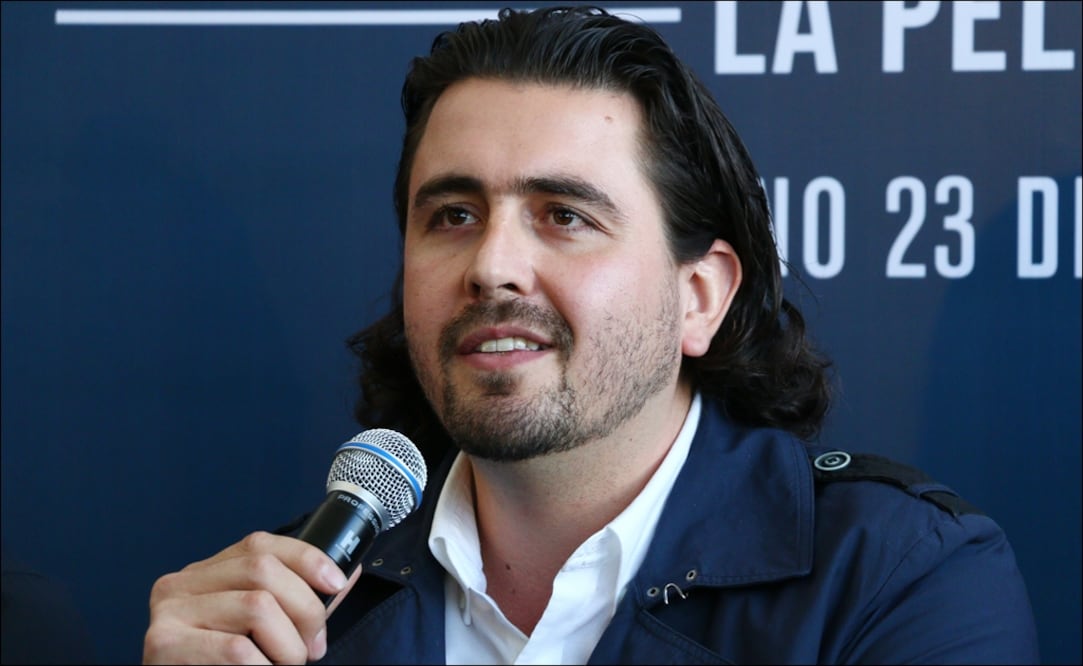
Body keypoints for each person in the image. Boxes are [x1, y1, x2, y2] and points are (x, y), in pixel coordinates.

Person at [142, 6, 1039, 664]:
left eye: (563, 215)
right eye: (452, 214)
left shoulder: (899, 580)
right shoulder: (282, 612)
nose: (491, 265)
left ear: (698, 297)